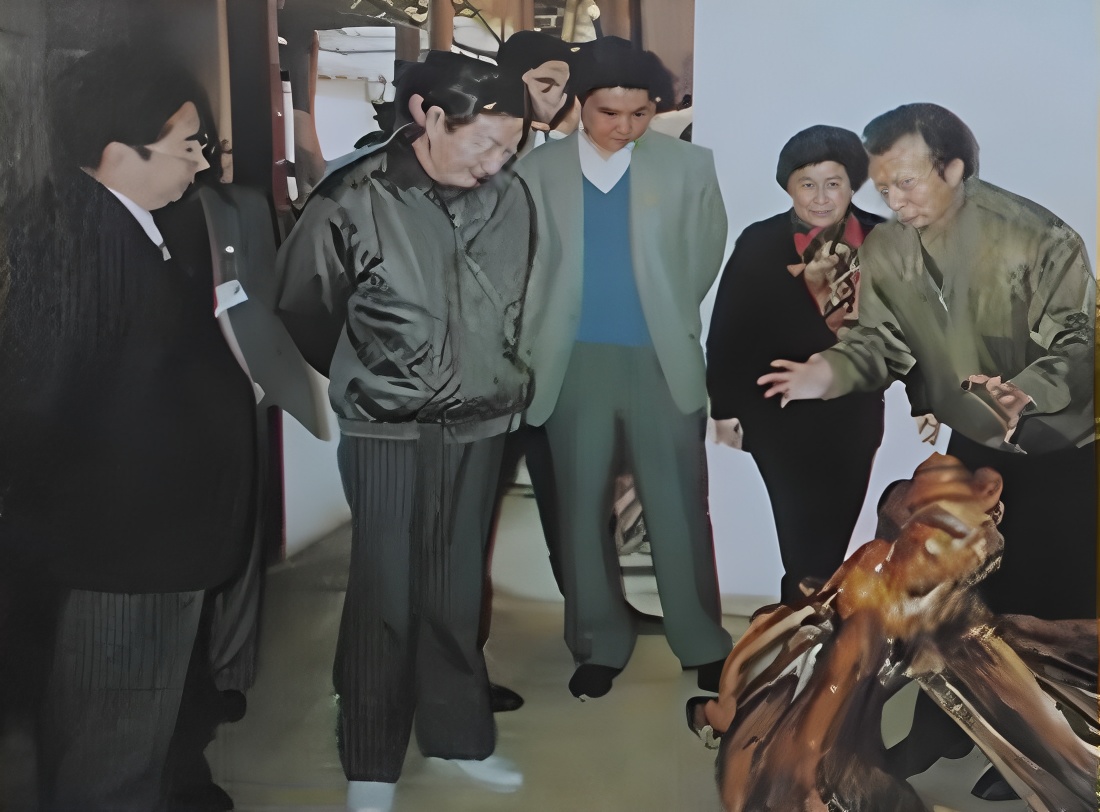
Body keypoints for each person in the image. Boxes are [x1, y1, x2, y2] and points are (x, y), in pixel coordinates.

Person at [274, 51, 534, 812]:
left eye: (510, 146)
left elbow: (516, 301)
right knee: (385, 591)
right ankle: (371, 758)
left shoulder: (509, 195)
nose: (496, 163)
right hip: (388, 426)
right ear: (429, 117)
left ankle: (458, 739)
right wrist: (379, 372)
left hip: (482, 420)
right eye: (483, 143)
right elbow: (304, 304)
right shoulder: (352, 197)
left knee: (455, 590)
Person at [0, 47, 258, 811]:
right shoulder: (75, 245)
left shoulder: (128, 224)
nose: (203, 163)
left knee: (135, 737)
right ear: (119, 152)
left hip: (152, 544)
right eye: (188, 146)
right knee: (109, 755)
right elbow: (39, 405)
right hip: (121, 555)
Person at [758, 103, 1095, 622]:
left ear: (953, 169)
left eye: (907, 183)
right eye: (883, 188)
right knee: (969, 610)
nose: (895, 201)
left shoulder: (1039, 239)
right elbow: (882, 342)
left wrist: (1027, 391)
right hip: (975, 441)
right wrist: (830, 371)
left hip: (1065, 446)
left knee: (1061, 617)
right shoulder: (887, 248)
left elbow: (1081, 337)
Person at [515, 36, 732, 700]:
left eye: (640, 113)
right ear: (580, 103)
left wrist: (662, 311)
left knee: (678, 505)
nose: (625, 126)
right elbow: (526, 266)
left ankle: (700, 639)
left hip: (660, 357)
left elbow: (704, 255)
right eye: (609, 112)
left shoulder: (688, 165)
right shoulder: (536, 171)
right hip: (571, 361)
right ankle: (597, 642)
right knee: (580, 509)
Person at [706, 125, 885, 605]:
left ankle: (808, 622)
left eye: (833, 183)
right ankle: (802, 619)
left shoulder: (885, 239)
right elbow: (727, 330)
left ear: (852, 185)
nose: (821, 197)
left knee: (833, 536)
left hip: (853, 410)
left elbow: (911, 328)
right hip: (776, 412)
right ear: (788, 186)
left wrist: (924, 397)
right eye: (808, 184)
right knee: (801, 539)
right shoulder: (760, 241)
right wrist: (723, 409)